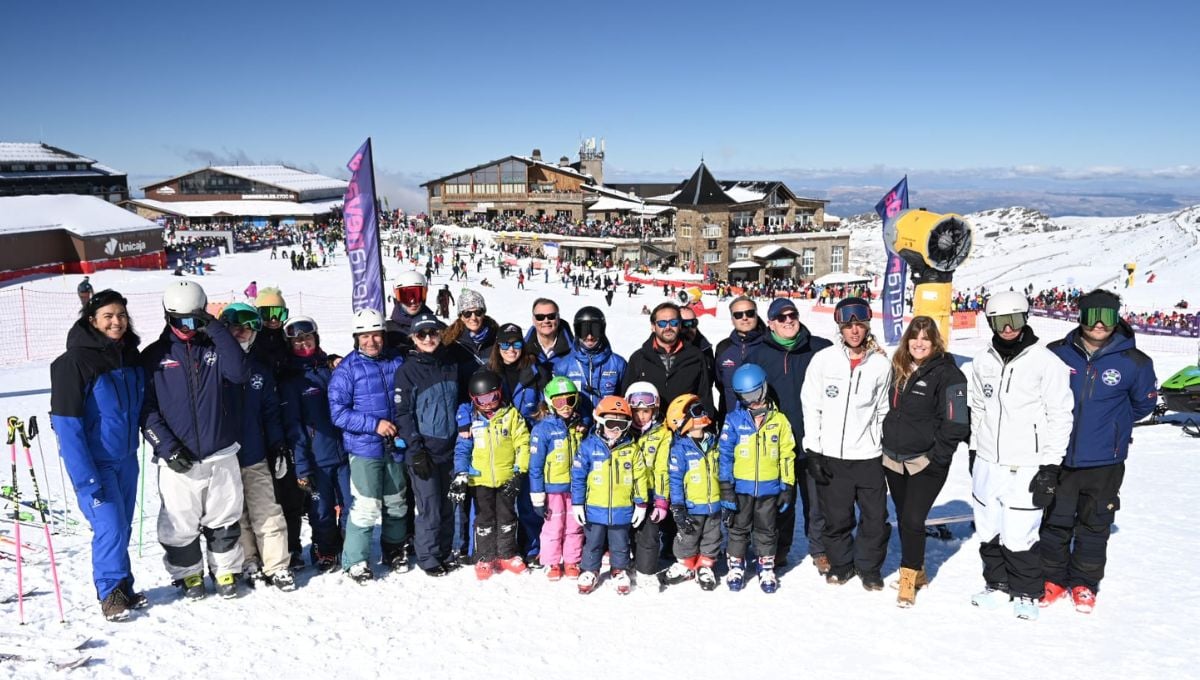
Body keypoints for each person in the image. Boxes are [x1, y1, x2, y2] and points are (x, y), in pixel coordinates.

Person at [1043, 289, 1157, 613]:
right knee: (1055, 521)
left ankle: (1084, 583)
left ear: (1116, 317)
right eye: (1091, 315)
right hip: (1061, 456)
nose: (1098, 324)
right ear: (1079, 316)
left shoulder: (1135, 362)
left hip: (1105, 461)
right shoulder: (1055, 354)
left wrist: (1112, 429)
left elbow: (1142, 405)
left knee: (1095, 525)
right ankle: (1052, 579)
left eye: (1106, 316)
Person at [140, 281, 250, 600]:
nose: (186, 329)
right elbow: (145, 410)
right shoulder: (154, 357)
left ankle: (226, 568)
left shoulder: (216, 348)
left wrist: (214, 328)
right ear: (167, 317)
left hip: (220, 453)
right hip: (177, 459)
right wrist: (166, 447)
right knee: (179, 523)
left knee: (225, 516)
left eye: (194, 320)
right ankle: (188, 575)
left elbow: (240, 374)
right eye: (178, 321)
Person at [968, 291, 1074, 620]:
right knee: (987, 528)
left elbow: (1061, 415)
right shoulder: (982, 361)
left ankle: (1027, 591)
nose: (1008, 327)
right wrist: (974, 449)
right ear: (990, 323)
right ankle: (997, 585)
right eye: (1000, 321)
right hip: (988, 459)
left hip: (1025, 462)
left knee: (1019, 532)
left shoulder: (1046, 363)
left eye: (1014, 319)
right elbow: (977, 409)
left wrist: (1050, 465)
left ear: (1025, 318)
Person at [50, 290, 146, 620]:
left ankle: (124, 586)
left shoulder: (131, 356)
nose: (116, 321)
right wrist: (85, 477)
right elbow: (67, 426)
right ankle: (110, 593)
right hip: (95, 463)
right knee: (110, 527)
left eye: (120, 315)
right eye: (108, 316)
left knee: (122, 527)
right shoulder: (74, 363)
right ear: (92, 320)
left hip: (127, 459)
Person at [800, 297, 892, 590]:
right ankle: (842, 564)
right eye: (848, 325)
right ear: (840, 327)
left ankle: (869, 567)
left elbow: (882, 409)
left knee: (875, 519)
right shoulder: (824, 360)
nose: (854, 331)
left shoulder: (880, 364)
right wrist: (813, 449)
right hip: (831, 455)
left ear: (867, 326)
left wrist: (878, 443)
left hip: (867, 455)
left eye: (859, 325)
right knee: (836, 518)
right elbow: (811, 405)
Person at [880, 316, 970, 607]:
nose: (919, 343)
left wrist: (937, 458)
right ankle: (917, 569)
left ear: (935, 342)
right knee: (906, 518)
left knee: (913, 518)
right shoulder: (898, 367)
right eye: (914, 337)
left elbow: (956, 423)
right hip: (894, 459)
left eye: (926, 339)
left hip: (926, 462)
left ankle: (909, 577)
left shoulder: (950, 375)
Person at [747, 297, 832, 572]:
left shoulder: (820, 349)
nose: (787, 321)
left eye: (791, 315)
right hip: (777, 445)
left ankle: (820, 550)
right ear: (770, 323)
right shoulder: (758, 354)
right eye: (780, 317)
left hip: (814, 441)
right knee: (781, 502)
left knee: (817, 503)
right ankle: (779, 550)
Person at [328, 308, 409, 584]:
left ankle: (394, 549)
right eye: (365, 336)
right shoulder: (346, 370)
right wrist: (374, 425)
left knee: (396, 503)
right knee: (365, 506)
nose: (371, 341)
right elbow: (338, 413)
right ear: (356, 338)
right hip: (364, 449)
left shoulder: (396, 361)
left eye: (375, 335)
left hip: (395, 446)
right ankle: (355, 560)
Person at [218, 303, 295, 591]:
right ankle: (248, 561)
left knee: (267, 510)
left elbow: (271, 412)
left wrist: (276, 446)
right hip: (223, 455)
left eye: (247, 328)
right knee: (237, 514)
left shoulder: (259, 370)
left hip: (254, 452)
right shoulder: (213, 366)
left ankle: (277, 566)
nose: (241, 333)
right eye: (235, 327)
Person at [394, 312, 470, 577]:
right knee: (430, 508)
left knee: (449, 506)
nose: (428, 338)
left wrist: (463, 427)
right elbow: (403, 414)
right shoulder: (407, 371)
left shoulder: (449, 364)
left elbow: (459, 401)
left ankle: (445, 552)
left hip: (449, 448)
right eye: (421, 334)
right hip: (424, 451)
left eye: (433, 332)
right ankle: (428, 556)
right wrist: (415, 450)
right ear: (413, 338)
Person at [279, 315, 349, 573]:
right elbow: (294, 427)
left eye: (307, 338)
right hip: (316, 458)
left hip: (345, 453)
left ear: (316, 338)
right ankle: (324, 549)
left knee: (352, 505)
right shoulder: (292, 380)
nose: (303, 344)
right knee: (321, 512)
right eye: (297, 341)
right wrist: (302, 467)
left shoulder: (332, 369)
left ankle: (347, 546)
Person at [718, 363, 796, 593]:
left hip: (769, 488)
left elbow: (787, 454)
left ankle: (766, 563)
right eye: (745, 396)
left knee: (766, 529)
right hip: (741, 488)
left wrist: (787, 485)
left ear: (763, 389)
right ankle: (736, 563)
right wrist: (726, 487)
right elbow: (724, 456)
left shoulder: (779, 421)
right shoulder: (733, 420)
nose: (752, 401)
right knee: (738, 528)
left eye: (754, 394)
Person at [450, 370, 532, 580]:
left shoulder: (511, 416)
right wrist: (461, 474)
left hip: (506, 478)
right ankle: (484, 556)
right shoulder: (471, 421)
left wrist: (519, 472)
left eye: (492, 397)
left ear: (500, 394)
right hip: (480, 480)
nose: (487, 404)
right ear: (473, 400)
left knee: (507, 517)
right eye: (481, 400)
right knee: (484, 519)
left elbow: (523, 444)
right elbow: (462, 450)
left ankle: (506, 553)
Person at [570, 396, 649, 595]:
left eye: (621, 424)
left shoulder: (632, 449)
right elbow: (578, 476)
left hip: (622, 508)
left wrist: (641, 503)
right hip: (595, 508)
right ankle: (589, 569)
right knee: (593, 542)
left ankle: (619, 569)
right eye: (611, 423)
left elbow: (640, 477)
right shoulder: (589, 446)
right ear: (600, 421)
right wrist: (577, 503)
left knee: (620, 542)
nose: (615, 429)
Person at [252, 287, 306, 567]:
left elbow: (308, 359)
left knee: (290, 493)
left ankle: (293, 546)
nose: (274, 320)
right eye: (267, 313)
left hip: (288, 425)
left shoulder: (287, 344)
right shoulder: (252, 344)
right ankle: (266, 551)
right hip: (258, 427)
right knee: (264, 496)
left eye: (279, 313)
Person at [658, 394, 722, 591]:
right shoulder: (680, 449)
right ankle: (686, 564)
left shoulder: (713, 442)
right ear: (682, 421)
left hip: (714, 504)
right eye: (696, 412)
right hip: (692, 505)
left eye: (702, 409)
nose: (703, 414)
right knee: (688, 536)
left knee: (712, 536)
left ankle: (705, 565)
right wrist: (677, 505)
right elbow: (675, 480)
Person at [528, 377, 587, 581]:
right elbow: (535, 465)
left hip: (575, 488)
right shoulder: (543, 429)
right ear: (550, 402)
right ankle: (551, 561)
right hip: (552, 489)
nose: (566, 407)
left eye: (570, 400)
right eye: (560, 402)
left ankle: (572, 560)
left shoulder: (578, 426)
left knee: (574, 526)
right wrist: (537, 496)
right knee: (554, 526)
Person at [620, 302, 715, 417]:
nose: (668, 327)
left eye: (673, 322)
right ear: (653, 326)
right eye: (662, 323)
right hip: (649, 430)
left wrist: (707, 426)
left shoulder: (696, 357)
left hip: (684, 428)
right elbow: (626, 397)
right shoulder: (639, 358)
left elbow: (705, 397)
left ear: (679, 325)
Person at [556, 306, 627, 417]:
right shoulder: (563, 366)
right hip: (577, 427)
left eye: (595, 330)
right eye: (583, 331)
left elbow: (624, 400)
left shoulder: (618, 364)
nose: (589, 336)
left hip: (607, 427)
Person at [713, 296, 767, 421]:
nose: (744, 317)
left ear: (756, 315)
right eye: (738, 315)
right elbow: (720, 383)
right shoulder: (723, 347)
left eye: (749, 313)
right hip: (731, 421)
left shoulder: (769, 344)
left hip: (764, 422)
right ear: (732, 319)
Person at [443, 288, 498, 367]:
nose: (473, 318)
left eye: (478, 312)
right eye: (467, 314)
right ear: (461, 316)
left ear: (483, 314)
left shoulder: (496, 338)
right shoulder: (451, 342)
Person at [524, 298, 574, 372]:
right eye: (540, 317)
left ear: (558, 318)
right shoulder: (522, 351)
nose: (546, 321)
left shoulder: (575, 350)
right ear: (533, 320)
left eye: (551, 316)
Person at [389, 270, 434, 335]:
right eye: (405, 296)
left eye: (417, 294)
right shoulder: (388, 331)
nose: (412, 301)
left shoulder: (437, 328)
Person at [679, 305, 715, 380]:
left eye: (693, 323)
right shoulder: (664, 350)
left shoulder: (705, 350)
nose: (689, 328)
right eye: (684, 324)